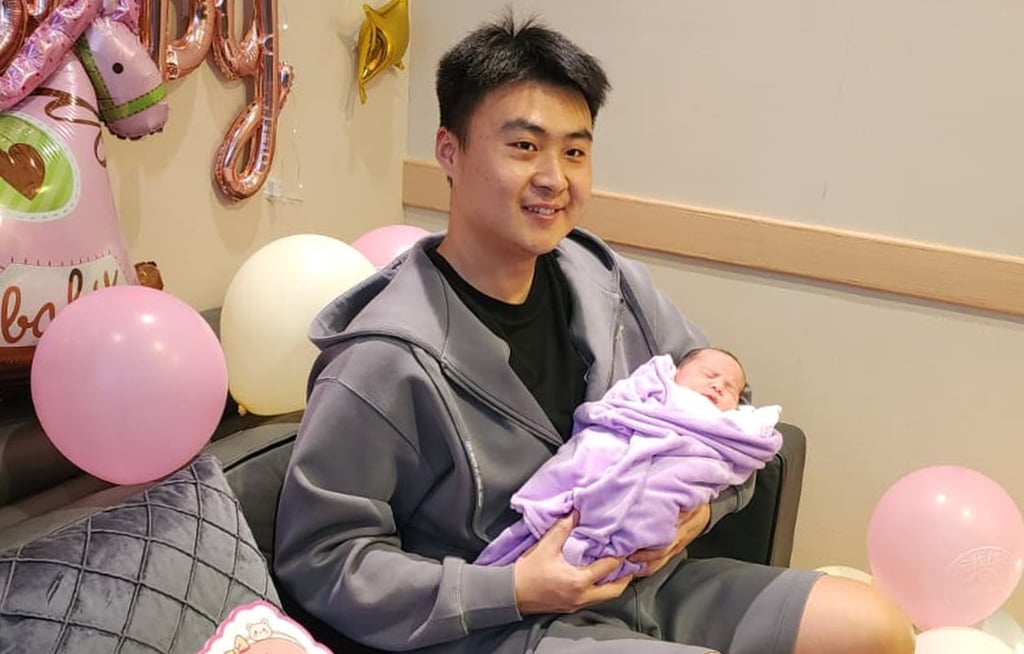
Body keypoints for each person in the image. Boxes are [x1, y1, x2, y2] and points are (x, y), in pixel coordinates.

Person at [273, 13, 915, 654]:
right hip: (502, 623)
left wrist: (699, 516)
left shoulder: (605, 279)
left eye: (575, 151)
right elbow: (322, 560)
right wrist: (517, 588)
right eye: (524, 146)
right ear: (450, 150)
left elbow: (724, 408)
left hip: (652, 582)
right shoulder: (382, 357)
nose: (555, 177)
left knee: (875, 628)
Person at [474, 348, 784, 582]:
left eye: (730, 387)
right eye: (709, 376)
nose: (718, 386)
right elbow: (612, 412)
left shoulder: (729, 426)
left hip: (660, 537)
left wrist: (705, 514)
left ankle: (606, 552)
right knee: (594, 453)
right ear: (675, 373)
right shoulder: (653, 387)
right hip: (620, 443)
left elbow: (744, 457)